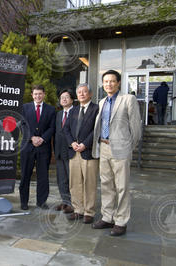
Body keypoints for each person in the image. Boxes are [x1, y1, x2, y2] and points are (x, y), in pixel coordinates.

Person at [92, 70, 141, 236]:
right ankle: (107, 217)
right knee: (106, 185)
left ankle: (121, 221)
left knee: (122, 186)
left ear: (118, 82)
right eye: (106, 81)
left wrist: (128, 147)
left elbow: (136, 128)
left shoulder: (128, 99)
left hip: (121, 149)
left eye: (112, 81)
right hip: (104, 147)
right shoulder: (102, 102)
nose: (109, 84)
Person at [64, 83, 99, 224]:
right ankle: (78, 210)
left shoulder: (96, 109)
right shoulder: (73, 110)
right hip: (74, 152)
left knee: (89, 183)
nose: (82, 94)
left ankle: (89, 212)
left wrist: (85, 144)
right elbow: (65, 129)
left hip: (88, 152)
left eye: (85, 92)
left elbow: (96, 130)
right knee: (75, 183)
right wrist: (72, 143)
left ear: (90, 94)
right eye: (79, 92)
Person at [20, 84, 56, 210]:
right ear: (32, 95)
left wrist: (42, 138)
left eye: (40, 94)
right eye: (35, 94)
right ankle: (24, 202)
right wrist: (31, 137)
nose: (38, 96)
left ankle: (41, 201)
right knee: (25, 175)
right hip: (27, 146)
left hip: (43, 147)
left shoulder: (51, 110)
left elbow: (52, 127)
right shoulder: (24, 108)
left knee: (43, 176)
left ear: (44, 94)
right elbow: (22, 125)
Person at [53, 89, 74, 214]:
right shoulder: (59, 114)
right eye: (62, 97)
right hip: (59, 151)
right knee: (62, 178)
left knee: (72, 178)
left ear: (72, 99)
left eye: (66, 97)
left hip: (71, 151)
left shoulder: (76, 113)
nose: (64, 99)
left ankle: (73, 203)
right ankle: (65, 201)